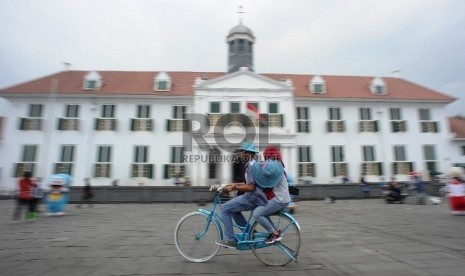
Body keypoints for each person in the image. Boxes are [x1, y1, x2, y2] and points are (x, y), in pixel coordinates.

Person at [215, 142, 268, 248]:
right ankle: (249, 232)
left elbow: (251, 187)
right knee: (233, 209)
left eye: (241, 152)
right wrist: (233, 184)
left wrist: (234, 187)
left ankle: (230, 239)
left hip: (252, 198)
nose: (240, 154)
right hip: (255, 196)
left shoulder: (251, 167)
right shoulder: (253, 164)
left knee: (225, 208)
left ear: (247, 154)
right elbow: (249, 184)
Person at [252, 146, 290, 244]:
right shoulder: (278, 166)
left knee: (257, 214)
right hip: (282, 198)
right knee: (263, 211)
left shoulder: (273, 167)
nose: (265, 159)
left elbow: (265, 180)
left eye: (266, 156)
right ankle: (274, 232)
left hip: (279, 199)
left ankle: (274, 233)